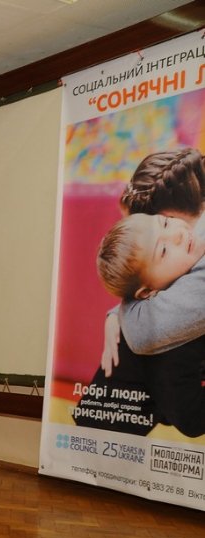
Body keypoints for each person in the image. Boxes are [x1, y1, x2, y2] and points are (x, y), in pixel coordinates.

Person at [76, 148, 205, 437]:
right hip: (106, 427)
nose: (179, 234)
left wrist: (121, 313)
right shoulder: (186, 256)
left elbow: (142, 333)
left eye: (166, 222)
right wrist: (118, 312)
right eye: (163, 249)